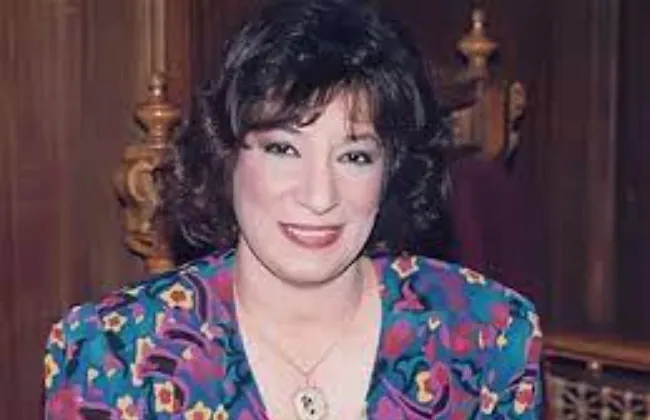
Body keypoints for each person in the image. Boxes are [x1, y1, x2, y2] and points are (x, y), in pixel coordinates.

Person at [44, 0, 543, 418]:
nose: (319, 196)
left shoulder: (487, 335)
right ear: (226, 154)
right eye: (283, 149)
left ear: (391, 170)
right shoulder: (112, 355)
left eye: (355, 156)